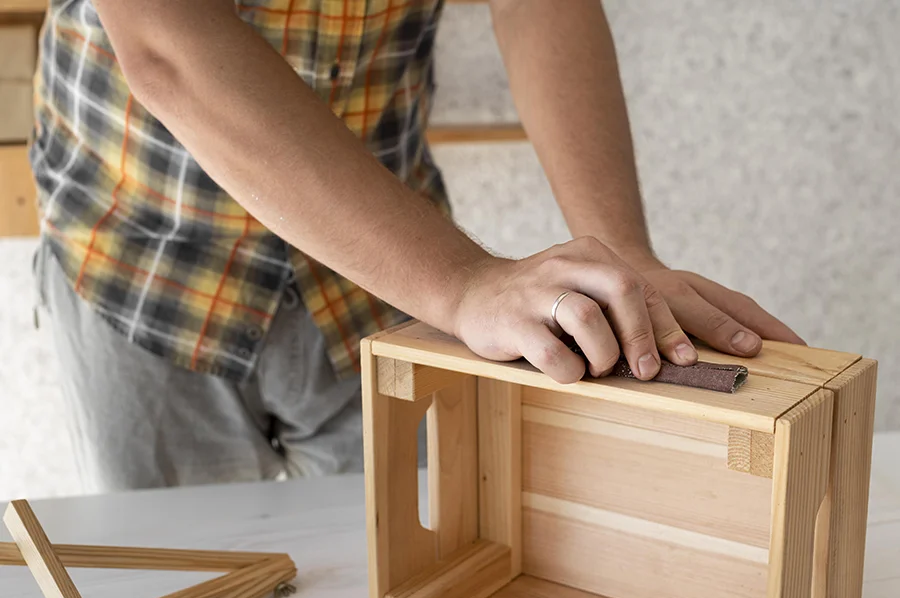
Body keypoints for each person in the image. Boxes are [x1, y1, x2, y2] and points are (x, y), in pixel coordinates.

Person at [30, 0, 803, 492]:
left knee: (411, 571)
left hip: (379, 278)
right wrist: (464, 283)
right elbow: (166, 40)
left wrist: (622, 256)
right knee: (178, 585)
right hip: (136, 251)